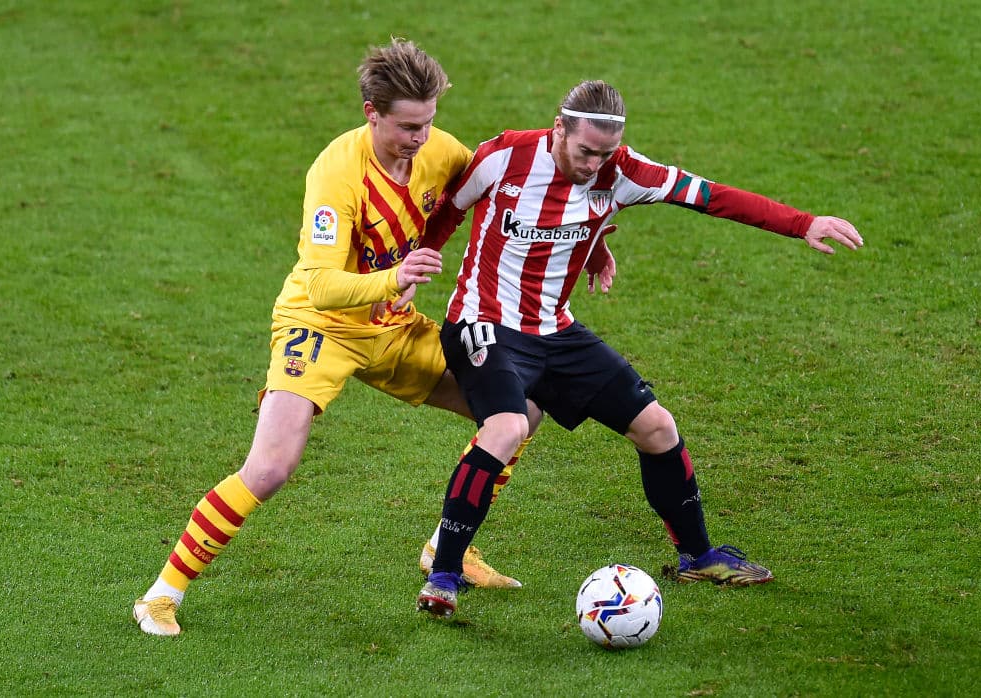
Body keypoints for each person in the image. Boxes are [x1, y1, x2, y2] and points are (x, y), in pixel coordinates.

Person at [133, 41, 617, 636]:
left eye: (429, 122)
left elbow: (513, 190)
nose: (421, 138)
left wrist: (593, 244)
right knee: (271, 467)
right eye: (408, 127)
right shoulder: (336, 172)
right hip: (321, 328)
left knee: (519, 410)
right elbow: (319, 285)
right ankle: (161, 595)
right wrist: (395, 278)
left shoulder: (440, 151)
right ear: (372, 113)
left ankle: (447, 546)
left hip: (392, 329)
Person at [415, 79, 864, 617]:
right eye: (585, 151)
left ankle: (698, 556)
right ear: (558, 129)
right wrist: (409, 273)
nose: (594, 165)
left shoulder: (622, 171)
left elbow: (711, 196)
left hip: (555, 329)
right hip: (482, 322)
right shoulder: (504, 156)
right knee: (509, 426)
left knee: (657, 427)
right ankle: (444, 573)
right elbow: (448, 210)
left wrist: (803, 224)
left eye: (605, 154)